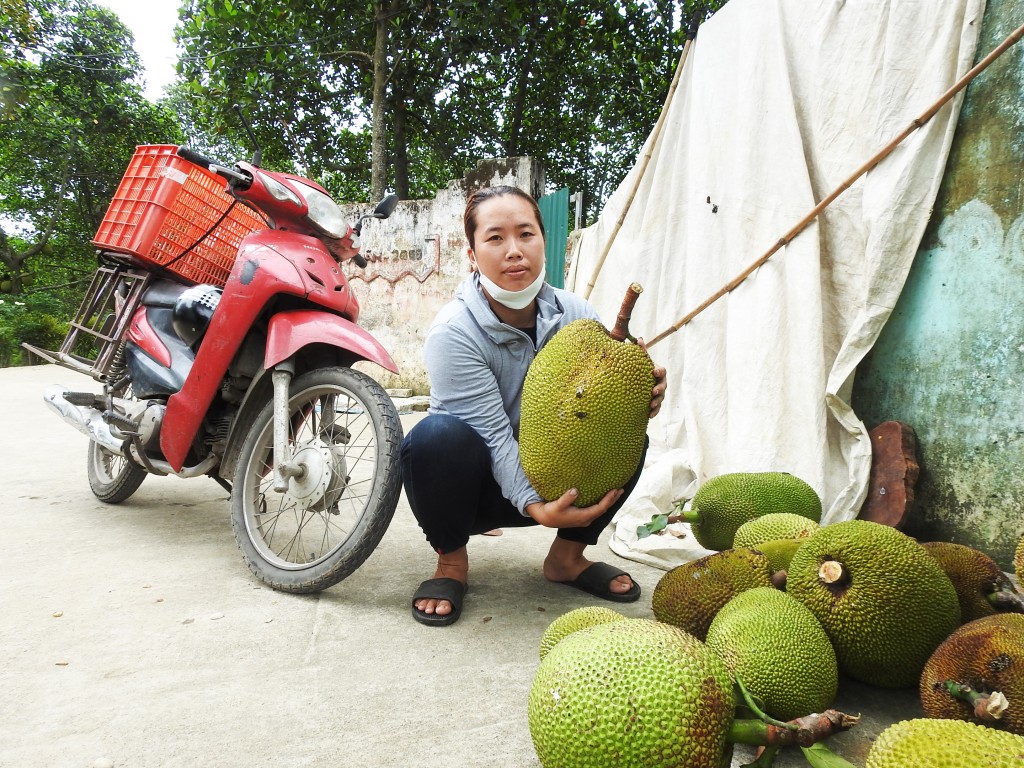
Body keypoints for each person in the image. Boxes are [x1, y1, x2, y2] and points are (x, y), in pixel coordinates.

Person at [399, 185, 667, 626]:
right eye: (495, 238)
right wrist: (534, 506)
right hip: (474, 489)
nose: (514, 251)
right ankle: (451, 564)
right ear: (472, 254)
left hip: (559, 481)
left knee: (631, 440)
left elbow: (599, 408)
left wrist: (642, 396)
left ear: (544, 241)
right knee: (434, 438)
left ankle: (566, 559)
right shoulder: (454, 332)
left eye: (526, 234)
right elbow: (492, 434)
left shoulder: (576, 313)